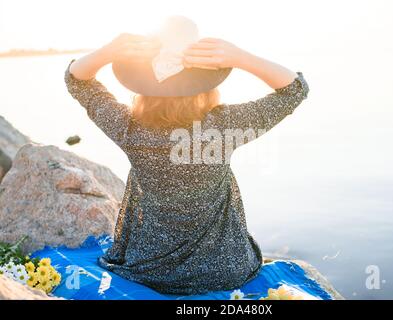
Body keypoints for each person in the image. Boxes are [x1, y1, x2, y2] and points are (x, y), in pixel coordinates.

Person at [65, 17, 309, 295]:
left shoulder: (128, 129)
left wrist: (108, 51)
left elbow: (76, 80)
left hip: (151, 270)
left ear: (144, 91)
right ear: (206, 87)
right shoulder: (225, 126)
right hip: (226, 270)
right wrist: (240, 57)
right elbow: (295, 89)